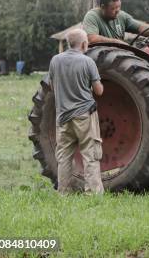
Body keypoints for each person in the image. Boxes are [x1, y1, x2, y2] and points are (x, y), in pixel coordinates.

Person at [49, 29, 105, 195]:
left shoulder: (55, 61)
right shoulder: (87, 62)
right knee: (90, 154)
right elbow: (99, 91)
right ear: (84, 44)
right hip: (84, 116)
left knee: (64, 157)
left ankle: (64, 193)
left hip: (63, 117)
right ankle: (93, 194)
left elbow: (53, 87)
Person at [83, 0, 149, 44]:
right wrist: (117, 42)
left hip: (119, 54)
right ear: (102, 7)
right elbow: (92, 39)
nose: (117, 10)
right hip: (101, 57)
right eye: (113, 8)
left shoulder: (121, 16)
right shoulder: (92, 16)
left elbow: (141, 28)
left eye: (119, 7)